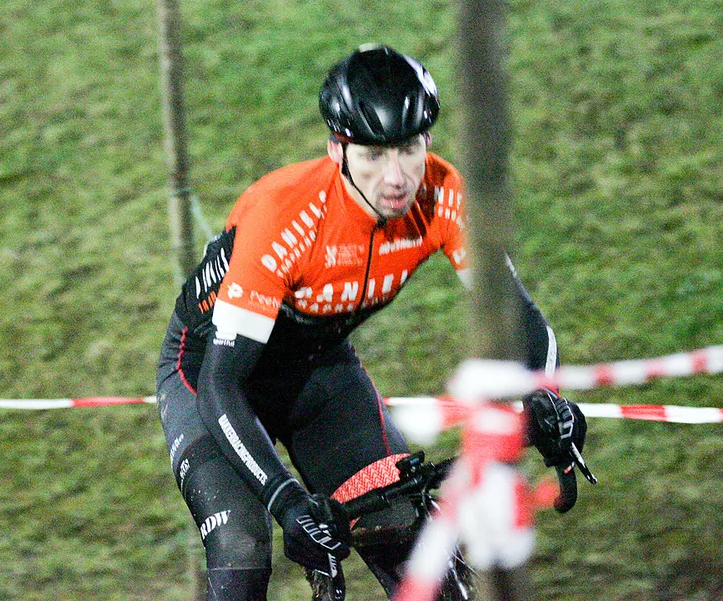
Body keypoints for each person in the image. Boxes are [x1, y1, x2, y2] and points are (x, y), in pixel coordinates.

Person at [155, 44, 586, 600]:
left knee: (412, 537)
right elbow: (221, 385)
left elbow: (518, 316)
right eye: (373, 155)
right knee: (241, 546)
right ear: (337, 150)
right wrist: (286, 501)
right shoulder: (284, 217)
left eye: (409, 149)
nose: (396, 177)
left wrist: (545, 396)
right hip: (210, 372)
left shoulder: (442, 195)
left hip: (317, 367)